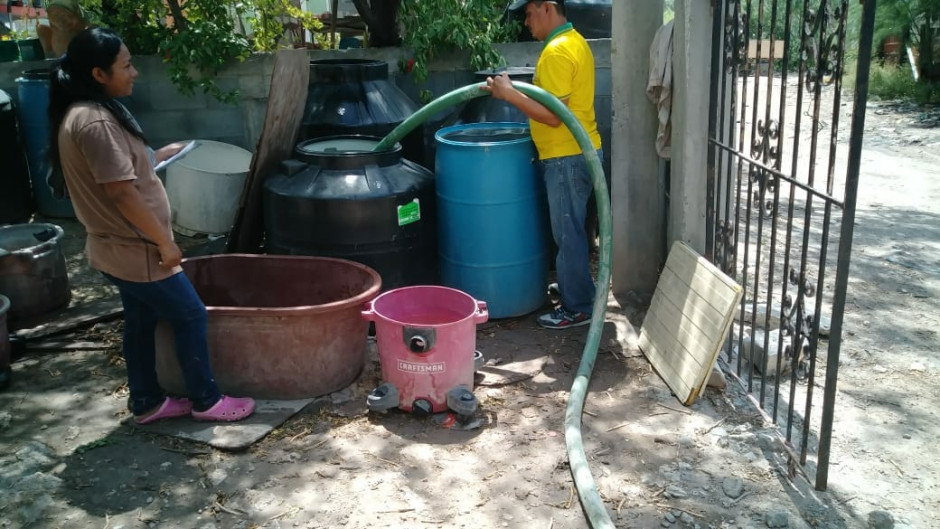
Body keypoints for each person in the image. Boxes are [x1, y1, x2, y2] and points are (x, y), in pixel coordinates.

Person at [48, 27, 255, 424]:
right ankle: (206, 401)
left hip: (117, 248)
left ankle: (147, 402)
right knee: (191, 314)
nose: (134, 72)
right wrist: (165, 243)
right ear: (98, 74)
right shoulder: (95, 123)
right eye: (125, 65)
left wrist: (158, 156)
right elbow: (122, 194)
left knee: (141, 321)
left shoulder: (86, 113)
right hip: (136, 248)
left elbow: (121, 175)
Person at [483, 0, 602, 330]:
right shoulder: (574, 41)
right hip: (578, 152)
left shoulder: (557, 52)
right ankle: (574, 286)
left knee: (568, 233)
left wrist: (509, 94)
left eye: (529, 13)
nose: (525, 22)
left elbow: (553, 116)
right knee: (572, 230)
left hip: (566, 156)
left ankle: (577, 307)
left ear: (548, 7)